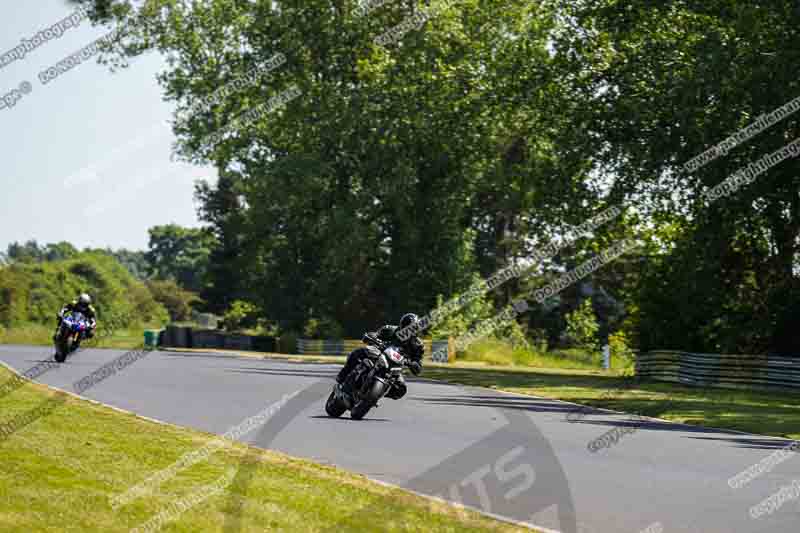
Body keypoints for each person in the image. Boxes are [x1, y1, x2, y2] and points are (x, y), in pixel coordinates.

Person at [336, 313, 425, 400]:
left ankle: (379, 392)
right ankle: (342, 378)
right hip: (378, 355)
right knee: (358, 353)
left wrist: (412, 364)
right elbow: (375, 335)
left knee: (401, 388)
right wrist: (372, 337)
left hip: (395, 368)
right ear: (402, 326)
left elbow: (418, 365)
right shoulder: (390, 330)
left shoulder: (418, 346)